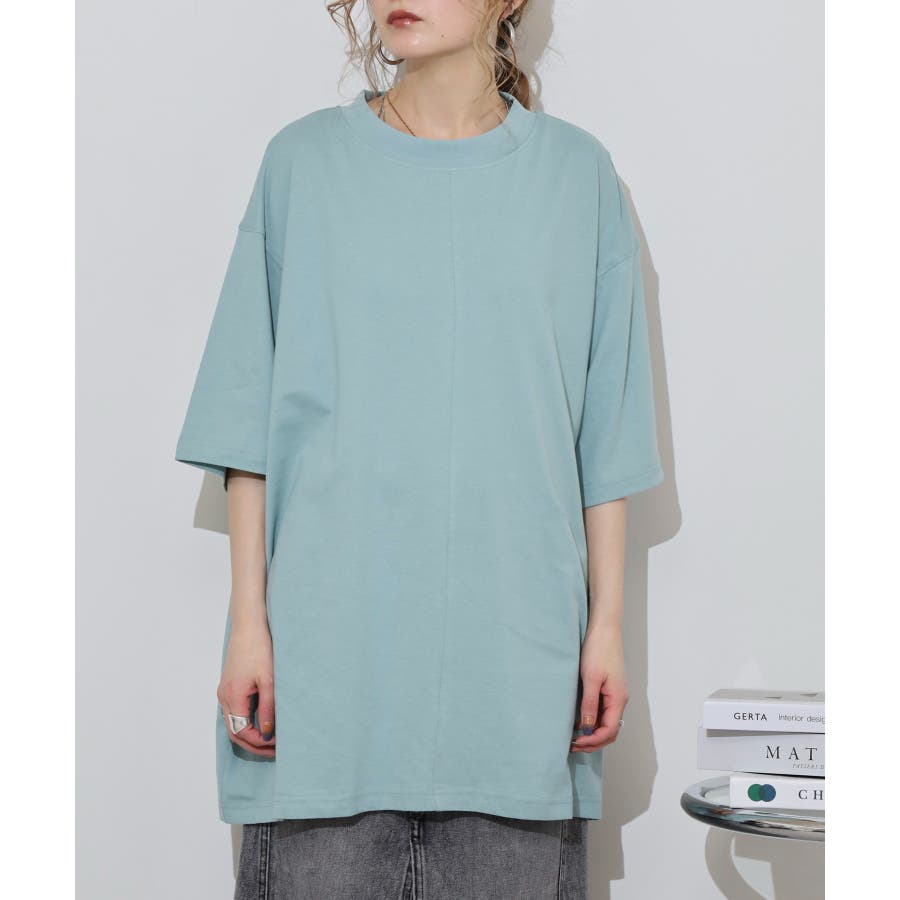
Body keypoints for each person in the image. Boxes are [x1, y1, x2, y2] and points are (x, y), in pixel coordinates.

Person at [174, 1, 663, 897]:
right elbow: (248, 423)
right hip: (324, 675)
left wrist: (607, 632)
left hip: (517, 674)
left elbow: (607, 436)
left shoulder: (578, 177)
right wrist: (248, 626)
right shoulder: (302, 165)